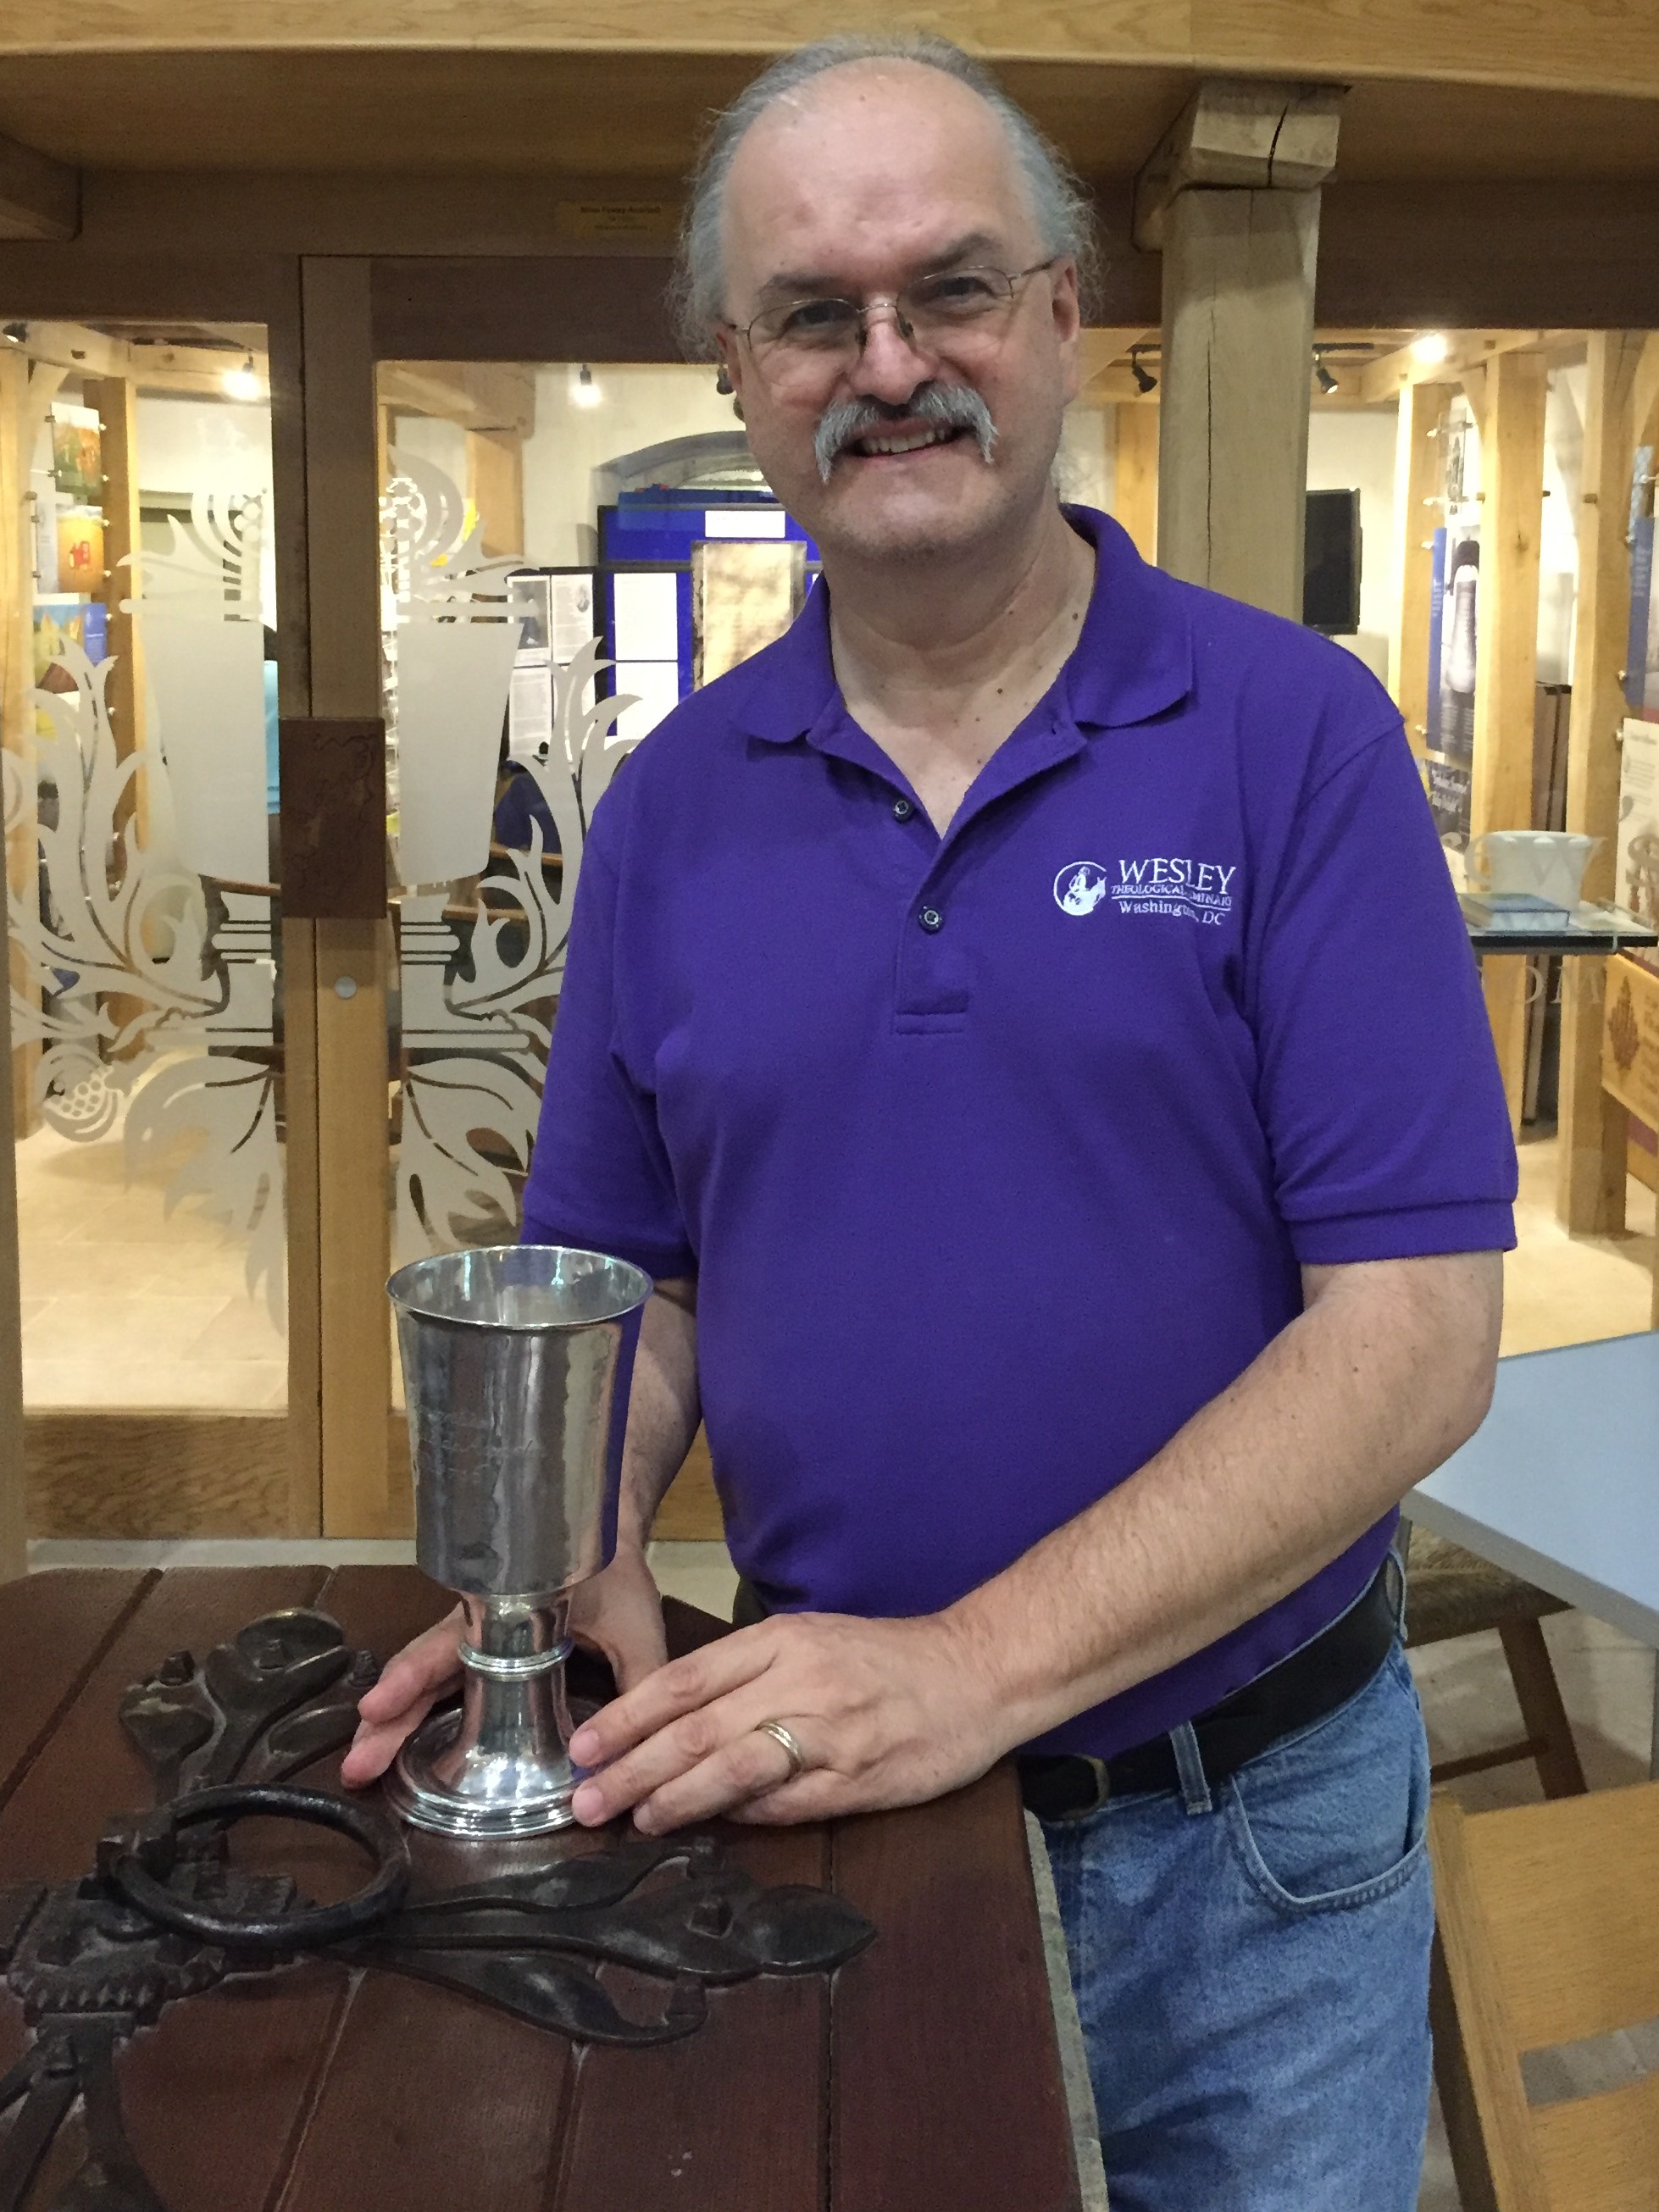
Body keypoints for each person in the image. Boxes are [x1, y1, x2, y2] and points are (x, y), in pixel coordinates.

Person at [344, 35, 1516, 2209]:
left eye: (951, 290)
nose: (892, 363)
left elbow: (1415, 1333)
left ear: (1065, 314)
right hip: (836, 1803)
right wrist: (562, 1557)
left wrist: (972, 1669)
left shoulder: (1292, 740)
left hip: (1244, 1830)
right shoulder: (673, 810)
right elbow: (635, 1287)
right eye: (816, 314)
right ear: (739, 360)